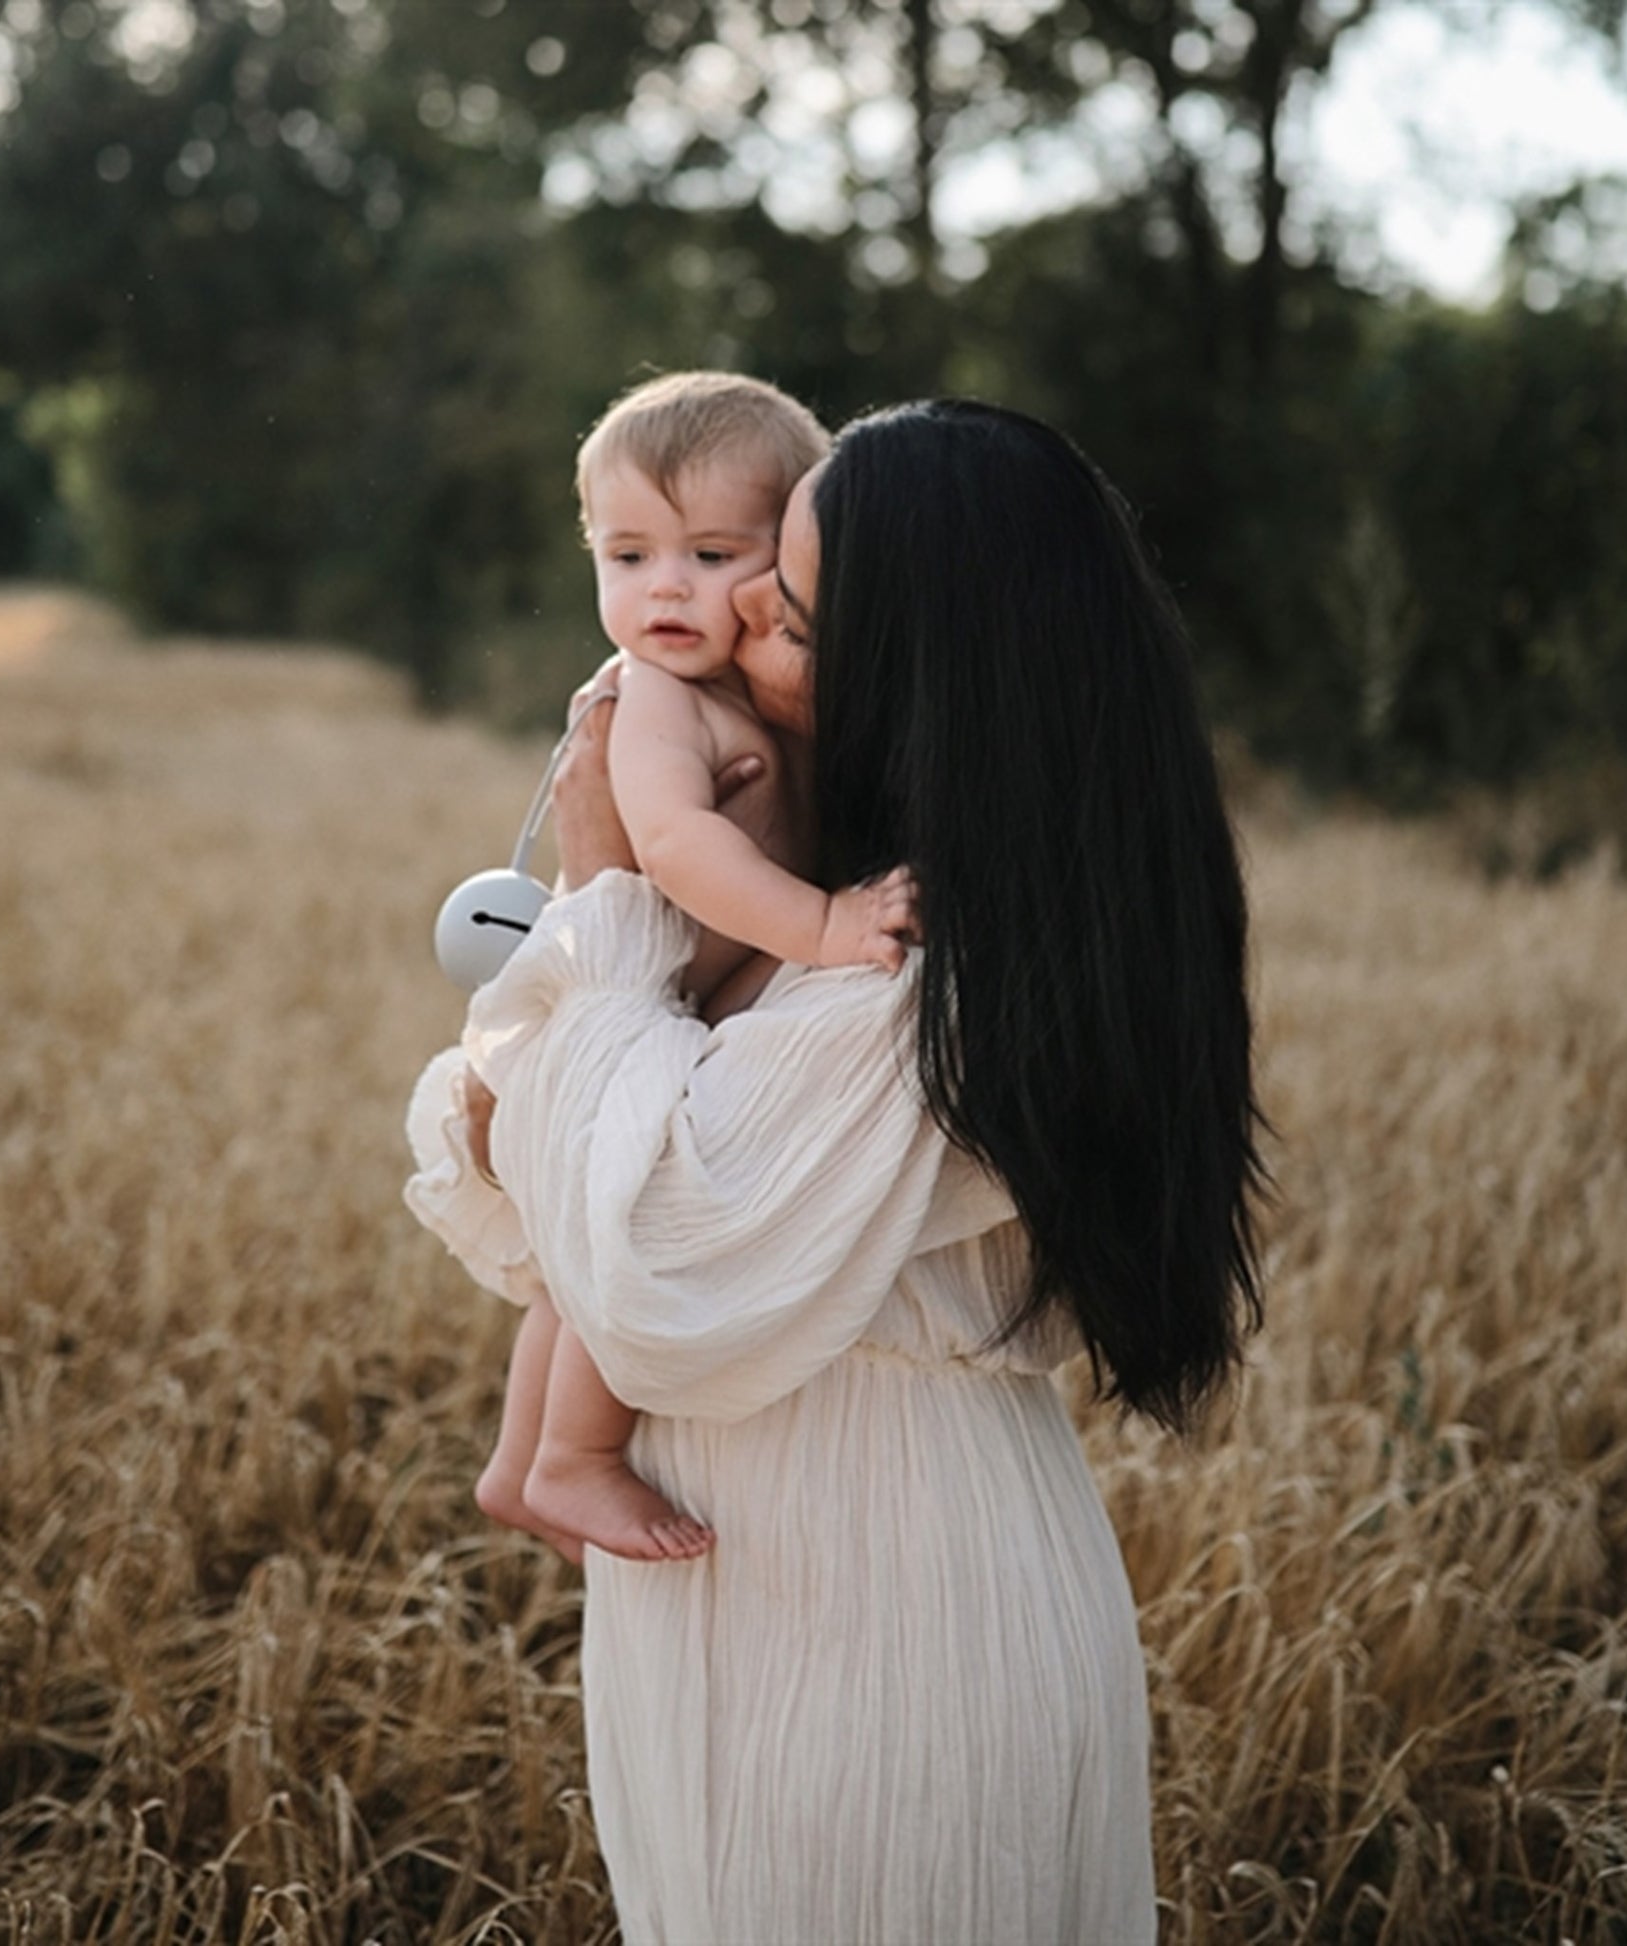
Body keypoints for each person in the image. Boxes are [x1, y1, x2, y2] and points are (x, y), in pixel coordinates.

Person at [405, 399, 1265, 1943]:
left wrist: (606, 883)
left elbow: (641, 1237)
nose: (727, 624)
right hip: (760, 1562)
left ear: (923, 676)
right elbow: (509, 1136)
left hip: (874, 1604)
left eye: (784, 608)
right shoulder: (916, 896)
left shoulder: (922, 963)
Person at [472, 372, 917, 1565]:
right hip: (630, 991)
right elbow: (673, 842)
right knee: (606, 1222)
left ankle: (521, 1465)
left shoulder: (764, 695)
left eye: (712, 552)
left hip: (685, 1004)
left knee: (579, 1249)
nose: (662, 586)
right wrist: (822, 928)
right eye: (626, 556)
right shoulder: (657, 696)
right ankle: (570, 1456)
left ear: (790, 560)